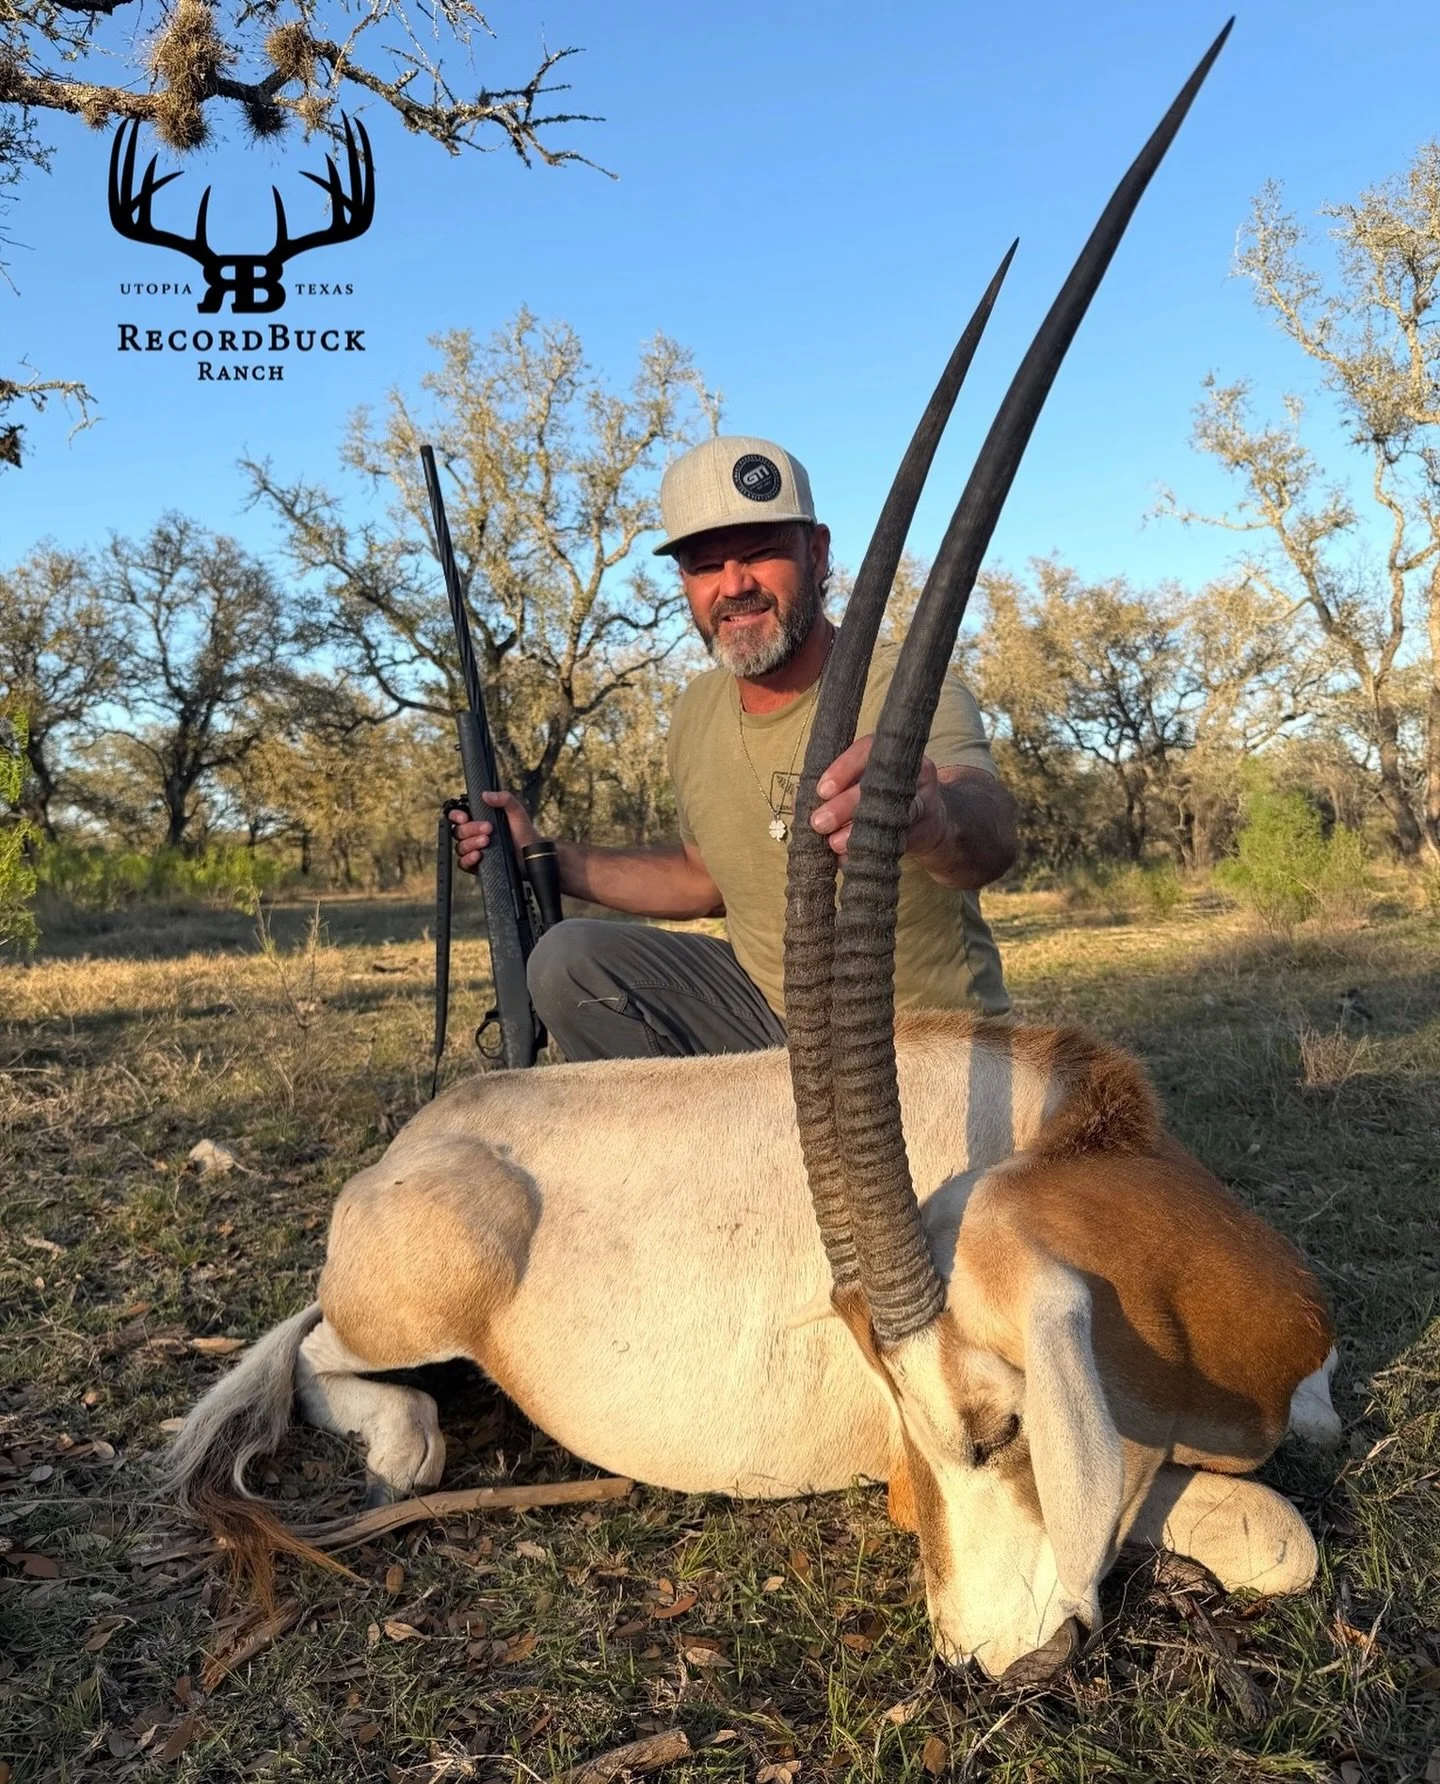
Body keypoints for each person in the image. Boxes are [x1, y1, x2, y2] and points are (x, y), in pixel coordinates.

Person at [449, 435, 1017, 1061]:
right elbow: (702, 881)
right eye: (705, 565)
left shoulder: (909, 685)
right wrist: (537, 853)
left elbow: (987, 833)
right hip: (764, 1033)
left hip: (922, 1045)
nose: (734, 584)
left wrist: (935, 821)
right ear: (684, 581)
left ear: (817, 554)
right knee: (568, 958)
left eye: (761, 552)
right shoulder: (696, 709)